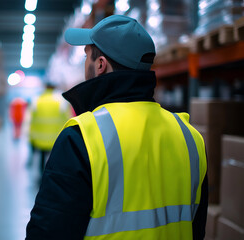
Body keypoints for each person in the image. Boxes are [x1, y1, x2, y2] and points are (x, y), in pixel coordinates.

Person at [26, 15, 208, 240]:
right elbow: (196, 229)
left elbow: (48, 233)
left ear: (101, 65)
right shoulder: (190, 137)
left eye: (87, 57)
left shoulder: (82, 137)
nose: (85, 66)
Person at [28, 82, 70, 174]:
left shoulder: (37, 100)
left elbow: (31, 120)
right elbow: (67, 118)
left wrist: (31, 138)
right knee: (54, 160)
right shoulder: (61, 100)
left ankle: (41, 177)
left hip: (40, 138)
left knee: (41, 160)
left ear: (45, 87)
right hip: (56, 138)